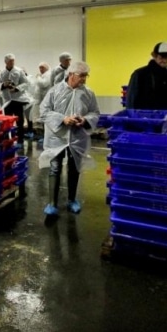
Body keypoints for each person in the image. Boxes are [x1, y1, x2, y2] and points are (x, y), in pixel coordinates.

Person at [39, 61, 100, 216]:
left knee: (74, 168)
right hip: (56, 138)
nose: (84, 79)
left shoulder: (88, 93)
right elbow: (44, 111)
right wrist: (62, 119)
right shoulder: (54, 91)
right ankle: (52, 203)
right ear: (71, 75)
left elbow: (95, 113)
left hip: (77, 138)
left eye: (86, 76)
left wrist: (84, 120)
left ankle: (72, 200)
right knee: (55, 168)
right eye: (82, 76)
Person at [126, 42, 167, 123]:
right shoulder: (140, 75)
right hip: (146, 123)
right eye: (161, 57)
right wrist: (134, 121)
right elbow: (131, 101)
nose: (165, 60)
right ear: (154, 56)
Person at [0, 53, 30, 142]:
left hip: (18, 100)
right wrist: (4, 85)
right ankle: (8, 139)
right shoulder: (1, 73)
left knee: (20, 120)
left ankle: (20, 139)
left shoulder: (19, 71)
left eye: (13, 61)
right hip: (7, 101)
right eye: (10, 61)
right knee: (8, 121)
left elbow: (26, 83)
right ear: (5, 62)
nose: (12, 62)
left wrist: (17, 88)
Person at [30, 62, 52, 142]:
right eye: (40, 68)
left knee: (46, 120)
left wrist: (38, 77)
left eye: (42, 67)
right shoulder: (43, 75)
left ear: (46, 68)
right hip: (41, 101)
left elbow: (43, 84)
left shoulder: (48, 74)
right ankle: (44, 136)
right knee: (43, 119)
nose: (40, 69)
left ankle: (47, 138)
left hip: (46, 101)